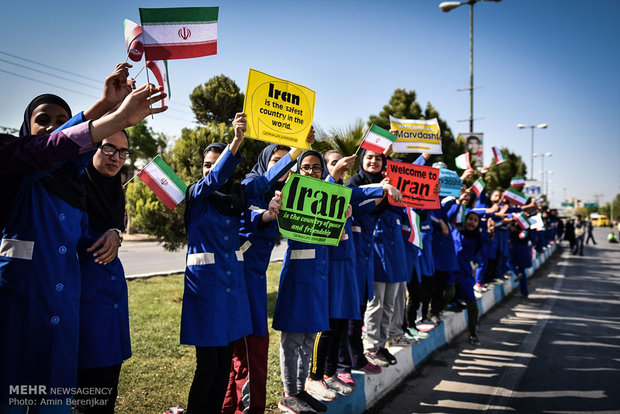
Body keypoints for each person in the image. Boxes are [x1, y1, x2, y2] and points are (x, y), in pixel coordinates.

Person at [0, 79, 165, 412]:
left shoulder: (73, 189)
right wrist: (114, 114)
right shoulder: (13, 167)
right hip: (16, 322)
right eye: (42, 119)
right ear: (26, 125)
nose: (52, 127)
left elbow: (86, 235)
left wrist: (116, 233)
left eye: (63, 121)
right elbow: (47, 151)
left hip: (63, 323)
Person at [181, 114, 295, 413]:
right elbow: (215, 178)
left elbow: (267, 180)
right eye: (208, 164)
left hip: (232, 293)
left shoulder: (236, 195)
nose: (213, 169)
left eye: (218, 163)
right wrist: (235, 142)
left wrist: (296, 151)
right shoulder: (196, 194)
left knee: (222, 368)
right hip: (205, 295)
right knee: (207, 368)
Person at [222, 133, 315, 414]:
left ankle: (246, 407)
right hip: (236, 278)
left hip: (255, 280)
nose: (283, 168)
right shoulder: (252, 183)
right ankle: (236, 407)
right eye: (276, 162)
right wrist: (267, 214)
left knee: (249, 350)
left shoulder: (289, 193)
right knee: (242, 350)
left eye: (287, 164)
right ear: (265, 163)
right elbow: (254, 213)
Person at [74, 130, 132, 414]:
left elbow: (115, 227)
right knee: (86, 397)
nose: (116, 158)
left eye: (123, 152)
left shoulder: (115, 191)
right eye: (109, 148)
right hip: (82, 303)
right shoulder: (74, 184)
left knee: (107, 391)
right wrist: (109, 234)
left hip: (113, 302)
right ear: (92, 145)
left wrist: (116, 232)